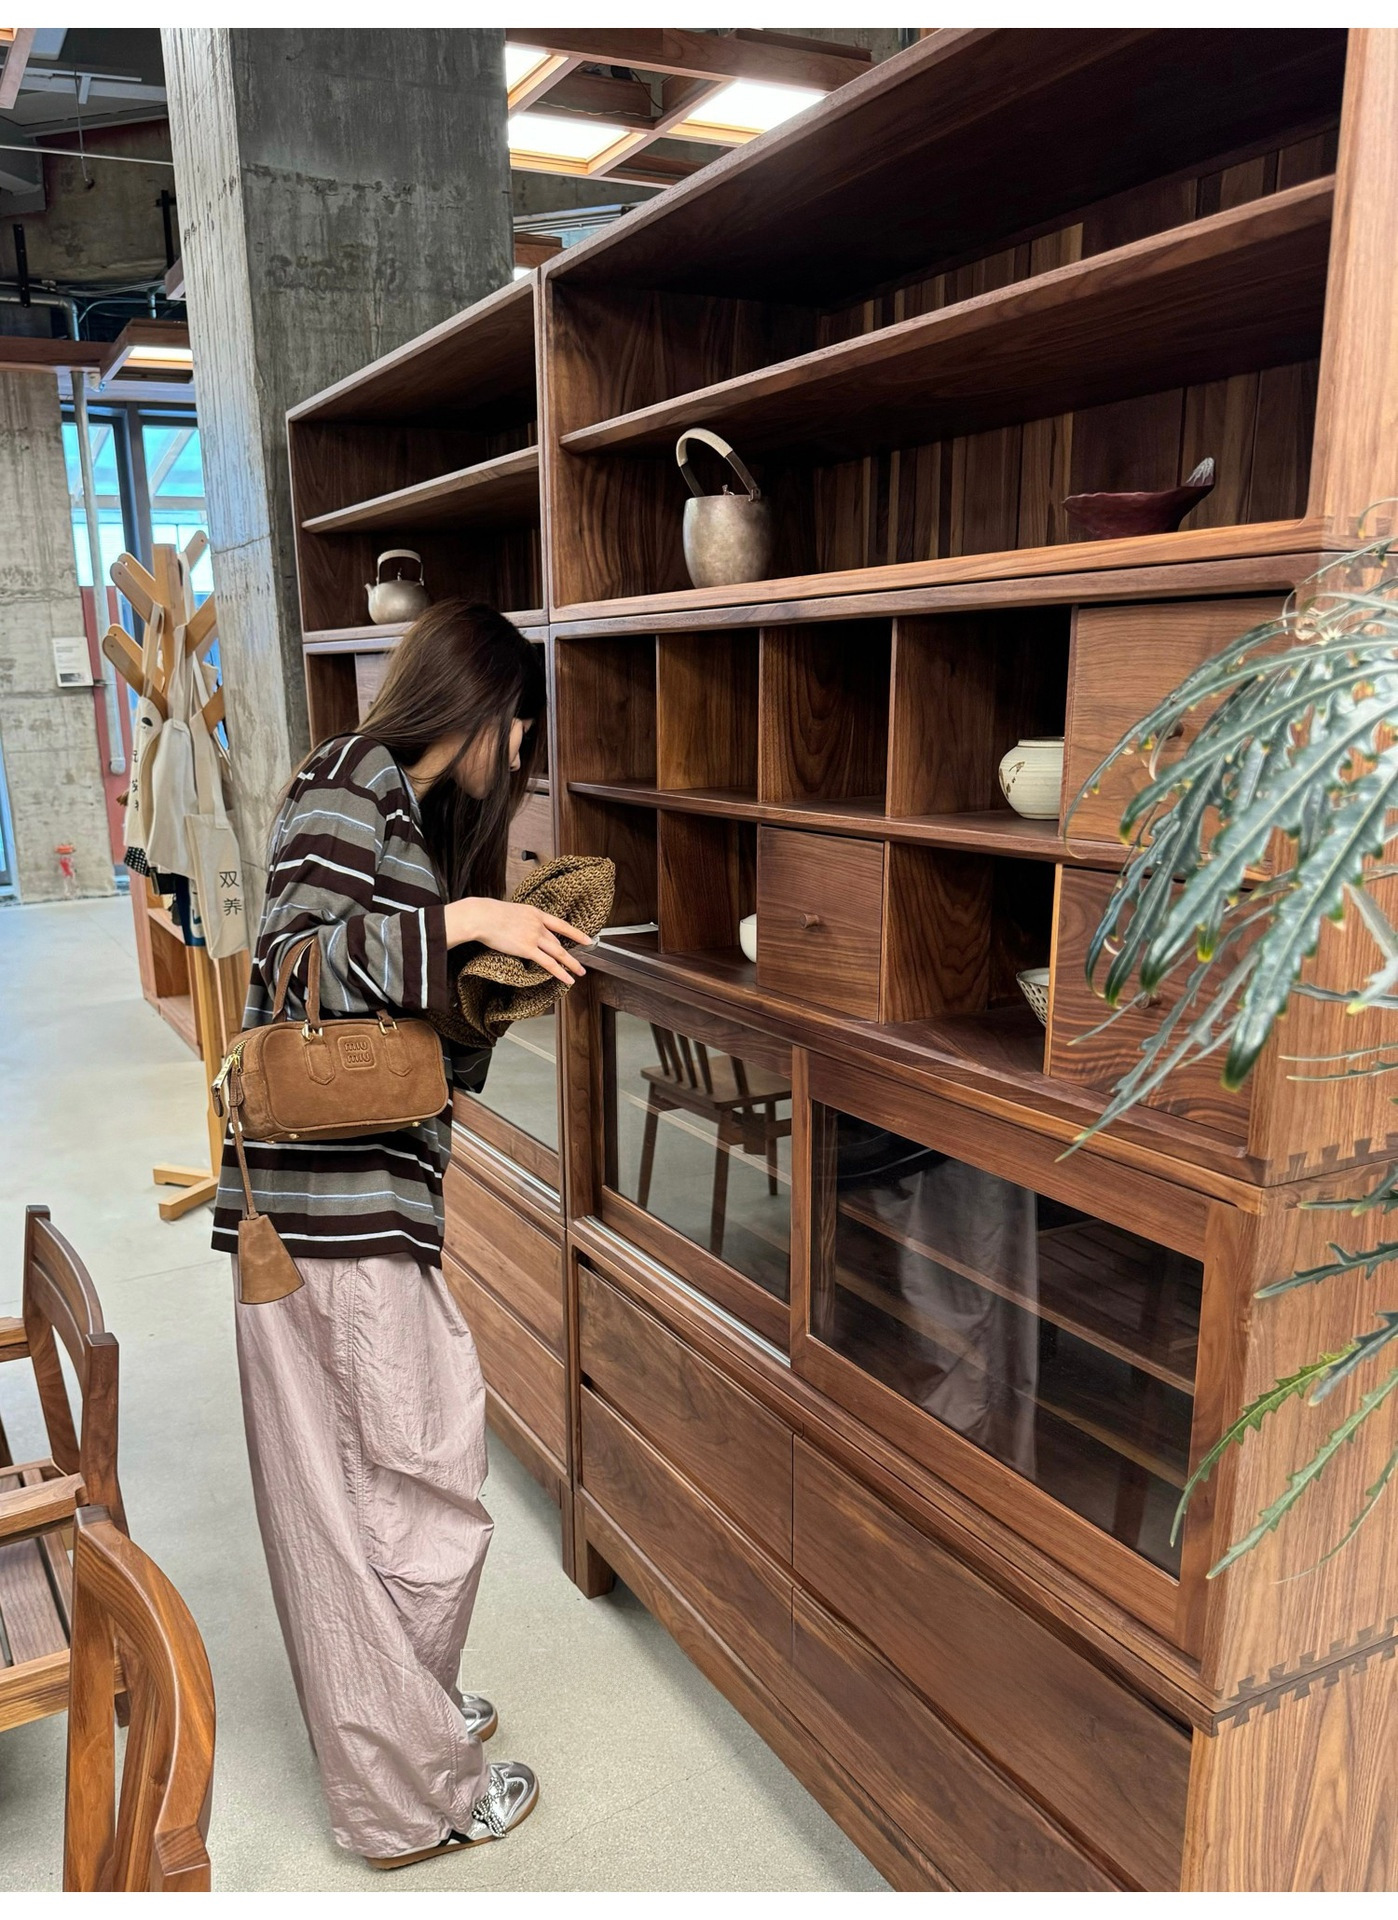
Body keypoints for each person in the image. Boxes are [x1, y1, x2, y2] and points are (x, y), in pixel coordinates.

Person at [211, 601, 588, 1869]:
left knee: (378, 1482)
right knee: (413, 1479)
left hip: (345, 1204)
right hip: (331, 1216)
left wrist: (483, 990)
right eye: (520, 723)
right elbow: (294, 963)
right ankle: (410, 1797)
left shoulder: (396, 808)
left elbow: (392, 1037)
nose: (522, 749)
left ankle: (406, 1720)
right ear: (479, 703)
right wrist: (469, 922)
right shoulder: (351, 774)